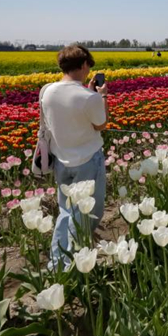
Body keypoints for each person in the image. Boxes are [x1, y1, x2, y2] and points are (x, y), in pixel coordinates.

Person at [38, 44, 109, 269]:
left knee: (66, 212)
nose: (89, 70)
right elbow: (101, 125)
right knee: (88, 213)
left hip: (61, 159)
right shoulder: (90, 97)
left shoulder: (47, 91)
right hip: (88, 159)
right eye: (89, 66)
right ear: (84, 64)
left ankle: (57, 263)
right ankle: (72, 264)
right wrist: (102, 97)